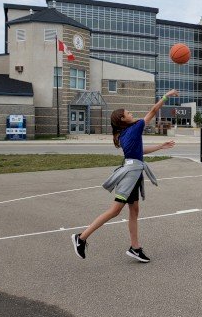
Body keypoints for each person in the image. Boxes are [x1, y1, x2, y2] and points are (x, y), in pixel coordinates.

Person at [72, 89, 179, 263]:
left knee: (134, 211)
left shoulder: (122, 135)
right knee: (115, 210)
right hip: (131, 175)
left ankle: (135, 248)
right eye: (128, 113)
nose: (131, 113)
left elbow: (139, 152)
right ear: (123, 119)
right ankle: (81, 238)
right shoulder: (135, 127)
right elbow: (153, 111)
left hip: (132, 171)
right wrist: (166, 96)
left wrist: (161, 146)